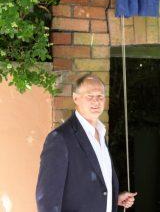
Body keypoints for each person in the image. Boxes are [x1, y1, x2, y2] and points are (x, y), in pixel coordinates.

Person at [36, 74, 137, 212]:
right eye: (90, 96)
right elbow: (47, 200)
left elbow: (93, 187)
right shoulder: (60, 138)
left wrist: (114, 198)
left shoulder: (101, 133)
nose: (96, 101)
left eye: (100, 96)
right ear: (76, 98)